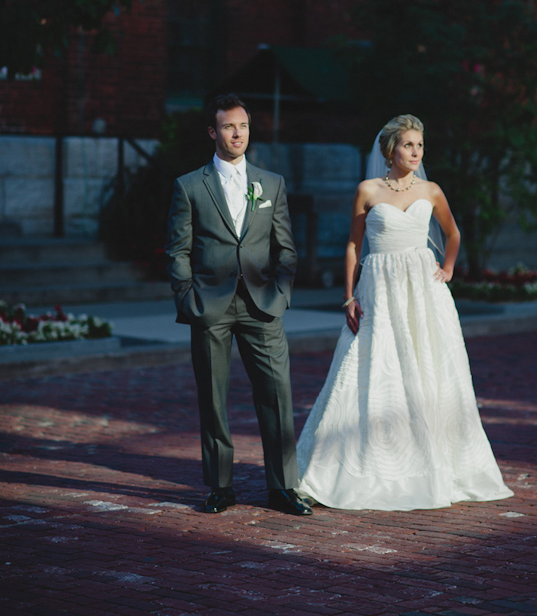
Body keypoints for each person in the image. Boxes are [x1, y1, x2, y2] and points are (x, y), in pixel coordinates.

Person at [297, 114, 513, 511]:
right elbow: (352, 246)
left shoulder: (431, 190)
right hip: (378, 289)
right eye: (408, 145)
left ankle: (435, 461)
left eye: (420, 146)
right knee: (369, 368)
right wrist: (348, 295)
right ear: (389, 150)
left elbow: (453, 233)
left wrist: (447, 268)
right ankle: (352, 464)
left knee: (428, 368)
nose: (416, 152)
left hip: (423, 293)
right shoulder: (367, 189)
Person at [165, 93, 312, 516]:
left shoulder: (271, 184)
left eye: (243, 126)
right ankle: (220, 486)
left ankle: (283, 487)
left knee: (277, 394)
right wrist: (186, 296)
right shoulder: (189, 185)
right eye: (229, 126)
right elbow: (177, 250)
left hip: (264, 304)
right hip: (208, 305)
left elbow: (286, 248)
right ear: (213, 132)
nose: (237, 134)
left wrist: (281, 294)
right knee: (212, 398)